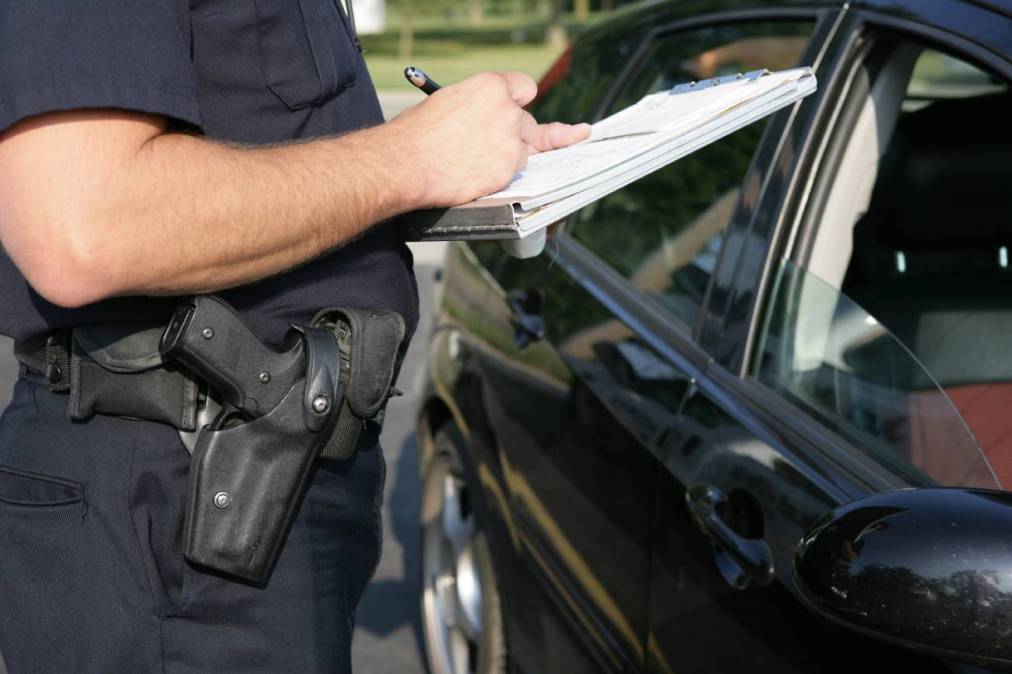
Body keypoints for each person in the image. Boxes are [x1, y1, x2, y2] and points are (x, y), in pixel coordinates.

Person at [0, 2, 589, 672]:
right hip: (176, 512)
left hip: (251, 497)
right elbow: (85, 228)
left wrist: (464, 172)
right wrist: (413, 156)